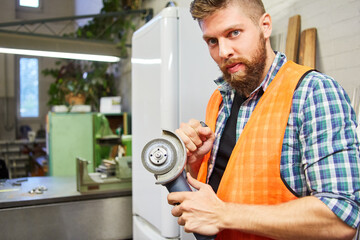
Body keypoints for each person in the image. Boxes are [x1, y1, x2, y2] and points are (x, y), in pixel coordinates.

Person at [167, 0, 360, 239]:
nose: (223, 51)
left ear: (265, 26)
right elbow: (217, 195)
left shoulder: (313, 92)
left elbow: (341, 219)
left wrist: (224, 214)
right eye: (212, 41)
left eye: (234, 33)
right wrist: (195, 165)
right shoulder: (219, 98)